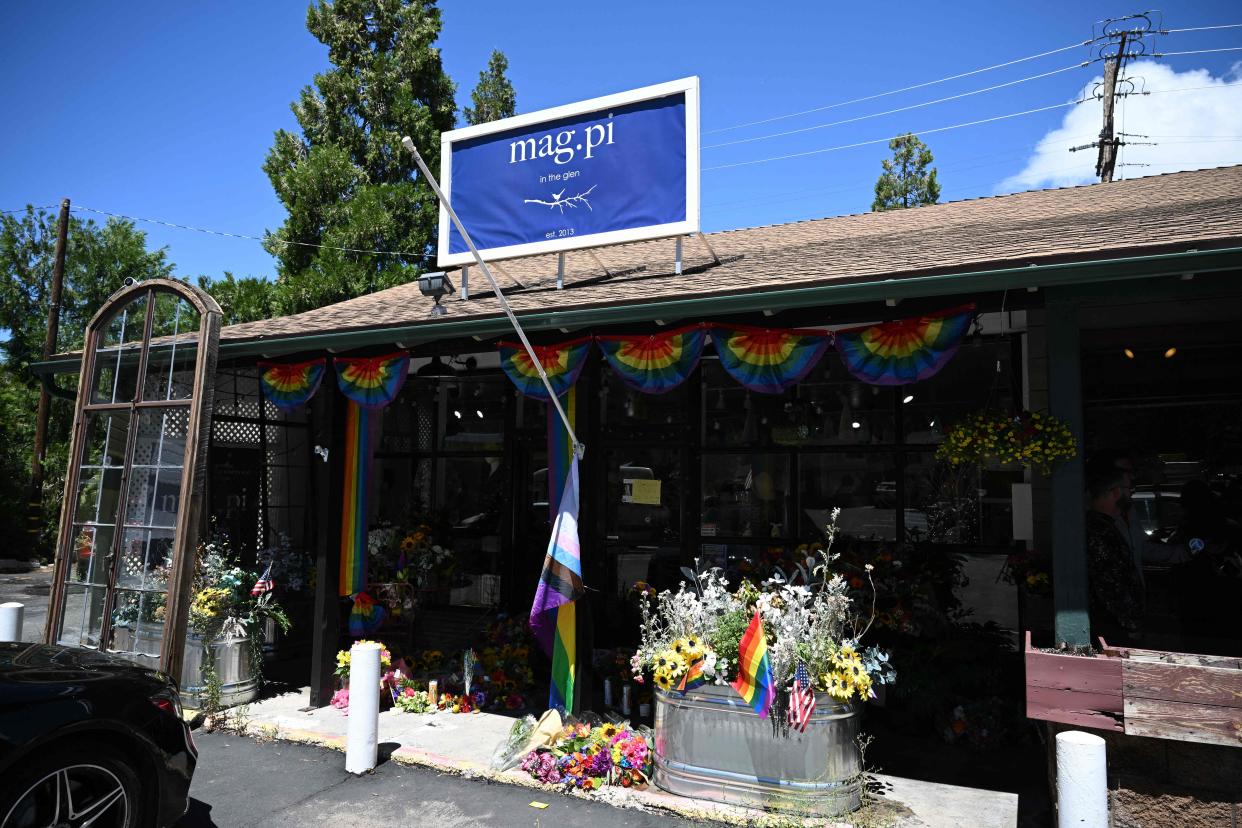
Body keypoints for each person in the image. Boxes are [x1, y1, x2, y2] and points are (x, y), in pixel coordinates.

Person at [1085, 465, 1145, 645]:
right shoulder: (1100, 531)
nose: (1131, 494)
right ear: (1116, 492)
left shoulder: (1106, 526)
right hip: (1111, 630)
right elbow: (1111, 583)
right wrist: (1131, 623)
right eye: (1129, 489)